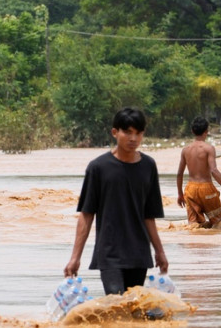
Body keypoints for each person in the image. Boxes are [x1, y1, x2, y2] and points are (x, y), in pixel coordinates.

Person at [63, 107, 168, 295]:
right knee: (115, 301)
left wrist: (160, 251)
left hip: (138, 253)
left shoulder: (148, 166)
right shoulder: (98, 168)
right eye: (127, 132)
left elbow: (149, 216)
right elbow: (86, 215)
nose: (133, 138)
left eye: (138, 133)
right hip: (109, 252)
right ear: (114, 132)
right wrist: (75, 258)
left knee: (133, 307)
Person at [176, 116, 221, 228]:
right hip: (207, 189)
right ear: (206, 132)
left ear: (192, 131)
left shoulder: (185, 150)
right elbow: (214, 170)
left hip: (191, 190)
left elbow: (179, 174)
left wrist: (179, 194)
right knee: (218, 224)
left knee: (194, 225)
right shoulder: (209, 148)